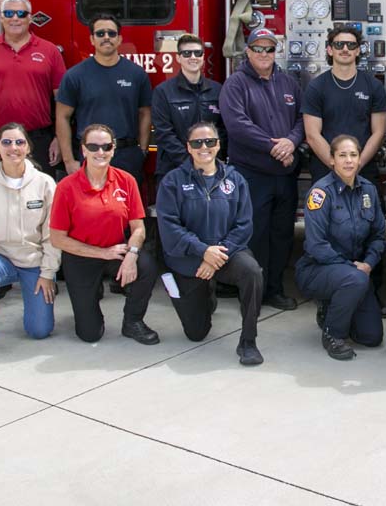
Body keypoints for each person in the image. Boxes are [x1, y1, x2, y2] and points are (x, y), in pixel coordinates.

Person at [156, 122, 264, 365]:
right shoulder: (172, 182)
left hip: (225, 253)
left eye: (210, 142)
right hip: (188, 259)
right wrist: (203, 251)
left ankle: (248, 341)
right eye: (197, 143)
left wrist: (216, 256)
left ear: (218, 145)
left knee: (252, 273)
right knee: (196, 333)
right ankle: (207, 295)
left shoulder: (235, 179)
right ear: (188, 147)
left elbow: (244, 224)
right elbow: (170, 227)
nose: (204, 147)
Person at [49, 123, 159, 345]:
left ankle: (133, 322)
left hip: (117, 250)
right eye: (93, 146)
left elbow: (138, 228)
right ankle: (88, 306)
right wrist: (102, 253)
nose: (100, 152)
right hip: (81, 256)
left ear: (113, 149)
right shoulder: (66, 187)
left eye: (106, 146)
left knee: (146, 266)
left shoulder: (126, 180)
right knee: (90, 334)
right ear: (83, 150)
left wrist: (132, 255)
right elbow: (57, 238)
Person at [219, 27, 305, 310]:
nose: (264, 54)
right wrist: (274, 146)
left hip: (285, 174)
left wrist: (291, 143)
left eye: (269, 49)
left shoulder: (289, 83)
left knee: (282, 235)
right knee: (254, 235)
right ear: (248, 51)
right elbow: (237, 126)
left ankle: (274, 290)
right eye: (259, 48)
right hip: (252, 174)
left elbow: (301, 120)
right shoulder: (235, 84)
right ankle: (252, 292)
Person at [0, 123, 59, 360]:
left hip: (34, 261)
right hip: (0, 258)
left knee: (40, 331)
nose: (13, 148)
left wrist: (47, 273)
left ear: (28, 148)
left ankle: (34, 306)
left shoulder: (45, 183)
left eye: (19, 142)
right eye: (6, 142)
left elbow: (53, 234)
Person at [295, 135, 386, 361]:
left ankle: (333, 308)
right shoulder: (320, 193)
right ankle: (333, 334)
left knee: (371, 337)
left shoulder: (369, 191)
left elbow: (378, 235)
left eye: (353, 155)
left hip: (356, 273)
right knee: (355, 280)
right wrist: (354, 269)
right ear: (332, 160)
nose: (348, 161)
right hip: (318, 269)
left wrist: (369, 263)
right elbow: (317, 246)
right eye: (342, 155)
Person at [0, 0, 66, 174]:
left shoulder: (50, 51)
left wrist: (59, 139)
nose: (15, 18)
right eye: (9, 13)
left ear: (30, 18)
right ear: (1, 17)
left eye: (21, 14)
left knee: (38, 199)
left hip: (38, 140)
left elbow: (61, 101)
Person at [56, 15, 152, 181]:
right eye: (100, 34)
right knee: (89, 206)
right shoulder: (75, 76)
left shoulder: (136, 74)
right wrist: (69, 160)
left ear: (119, 39)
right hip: (90, 153)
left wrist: (142, 150)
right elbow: (62, 117)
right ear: (92, 39)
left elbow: (145, 112)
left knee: (126, 206)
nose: (106, 37)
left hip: (126, 155)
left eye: (111, 33)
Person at [302, 25, 386, 184]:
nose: (345, 49)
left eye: (351, 45)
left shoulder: (373, 86)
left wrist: (357, 164)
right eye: (339, 44)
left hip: (363, 168)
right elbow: (312, 135)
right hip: (326, 169)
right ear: (330, 50)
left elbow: (379, 132)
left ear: (357, 51)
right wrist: (336, 165)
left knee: (369, 209)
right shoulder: (316, 87)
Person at [150, 33, 225, 181]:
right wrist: (190, 162)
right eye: (186, 53)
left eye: (198, 53)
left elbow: (223, 129)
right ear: (178, 58)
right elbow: (164, 133)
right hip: (173, 169)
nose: (193, 57)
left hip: (211, 169)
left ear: (203, 57)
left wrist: (210, 159)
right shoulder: (163, 92)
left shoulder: (217, 90)